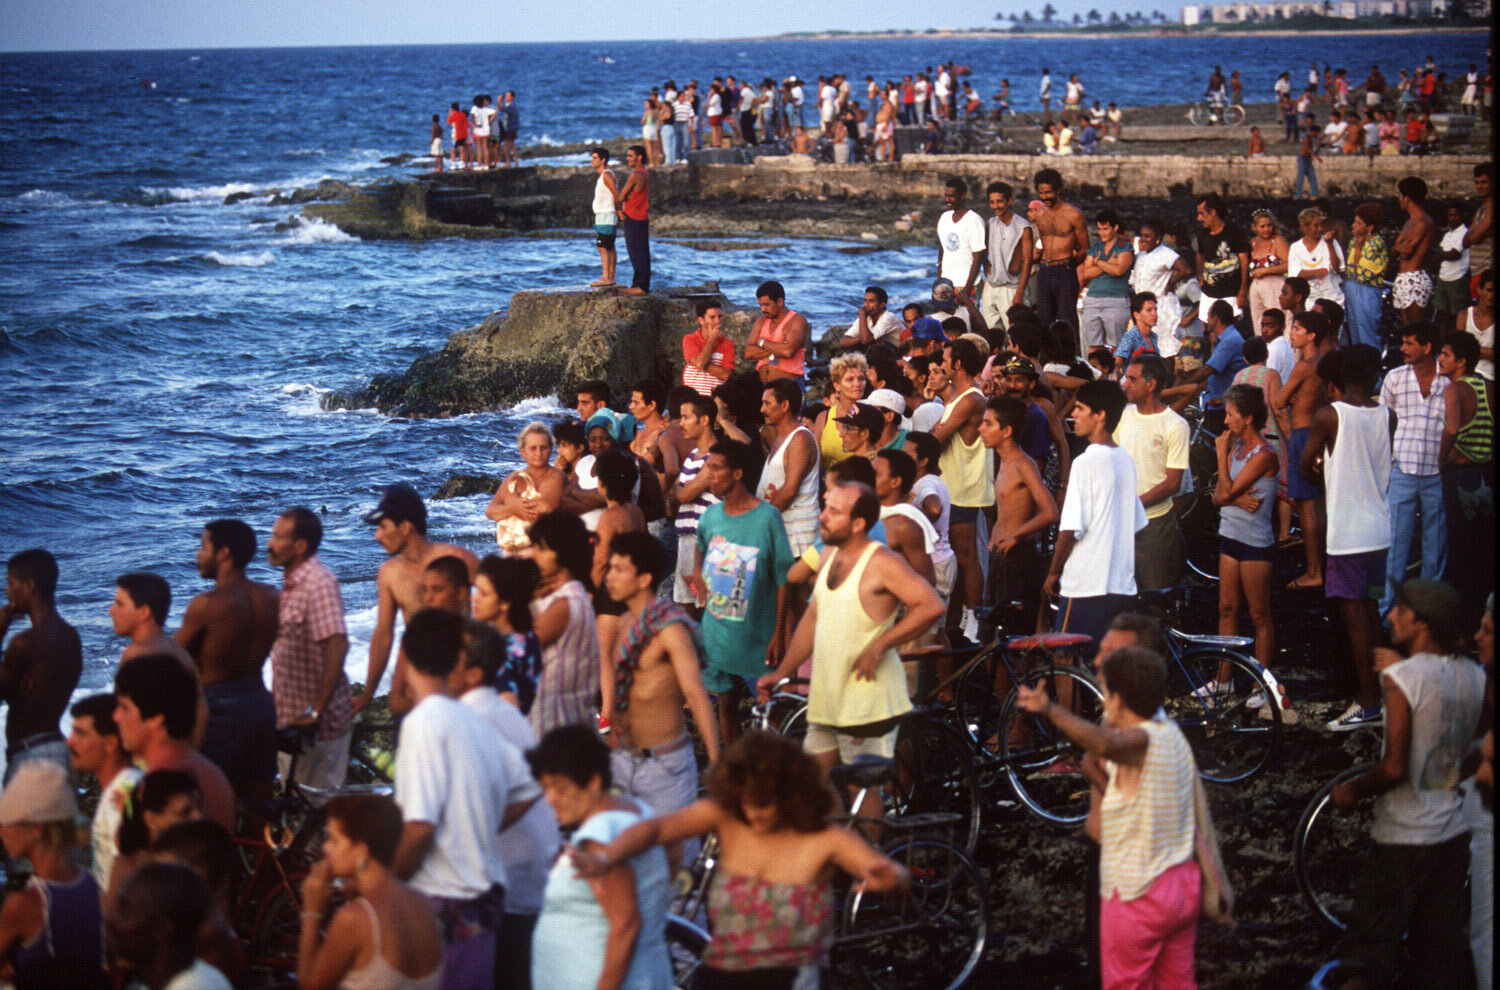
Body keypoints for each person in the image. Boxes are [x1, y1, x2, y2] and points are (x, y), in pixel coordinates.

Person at [571, 731, 907, 989]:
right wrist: (607, 856)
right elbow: (657, 829)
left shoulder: (824, 839)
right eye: (745, 801)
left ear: (791, 795)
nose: (752, 813)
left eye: (764, 803)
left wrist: (888, 875)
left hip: (791, 980)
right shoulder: (726, 817)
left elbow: (888, 870)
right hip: (724, 974)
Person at [1330, 579, 1488, 989]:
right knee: (1437, 955)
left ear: (1421, 622)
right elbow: (1478, 750)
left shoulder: (1402, 678)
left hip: (1403, 835)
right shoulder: (1476, 677)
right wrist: (1444, 776)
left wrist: (1352, 790)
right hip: (1452, 834)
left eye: (1400, 609)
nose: (1390, 615)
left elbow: (1394, 767)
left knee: (1367, 952)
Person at [1018, 646, 1202, 989]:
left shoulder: (1141, 740)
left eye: (1104, 693)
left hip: (1138, 894)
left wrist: (1051, 710)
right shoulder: (1173, 736)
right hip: (1181, 888)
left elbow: (1100, 743)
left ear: (1118, 701)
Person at [392, 608, 540, 990]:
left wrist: (385, 885)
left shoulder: (422, 723)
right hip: (486, 900)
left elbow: (420, 828)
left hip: (446, 902)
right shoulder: (471, 718)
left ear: (406, 655)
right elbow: (528, 786)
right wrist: (476, 829)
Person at [758, 481, 944, 779]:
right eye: (825, 508)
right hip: (828, 694)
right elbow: (813, 617)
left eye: (834, 511)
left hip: (866, 698)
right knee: (816, 787)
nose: (822, 516)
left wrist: (880, 645)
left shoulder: (883, 562)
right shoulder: (830, 555)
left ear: (858, 524)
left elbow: (931, 605)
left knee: (862, 795)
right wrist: (783, 673)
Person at [443, 620, 558, 988]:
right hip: (526, 866)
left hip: (515, 877)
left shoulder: (477, 717)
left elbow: (519, 791)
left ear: (473, 674)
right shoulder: (497, 709)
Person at [601, 532, 719, 868]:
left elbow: (696, 694)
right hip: (623, 760)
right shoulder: (623, 624)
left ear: (644, 579)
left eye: (619, 569)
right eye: (610, 567)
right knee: (627, 865)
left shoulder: (669, 628)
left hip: (665, 767)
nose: (609, 575)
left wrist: (714, 759)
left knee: (677, 869)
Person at [528, 725, 672, 990]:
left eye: (559, 788)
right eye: (545, 787)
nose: (550, 799)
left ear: (594, 782)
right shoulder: (639, 812)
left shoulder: (600, 835)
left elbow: (626, 925)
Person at [1303, 346, 1395, 730]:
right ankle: (1383, 694)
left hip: (1348, 537)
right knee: (1372, 613)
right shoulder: (1386, 414)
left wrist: (1322, 467)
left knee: (1355, 619)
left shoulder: (1329, 415)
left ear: (1337, 379)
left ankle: (1368, 702)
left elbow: (1307, 467)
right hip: (1379, 532)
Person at [689, 440, 794, 748]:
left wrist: (779, 634)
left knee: (768, 711)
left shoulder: (768, 518)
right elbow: (699, 550)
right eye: (709, 468)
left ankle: (772, 774)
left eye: (716, 468)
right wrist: (699, 576)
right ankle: (731, 766)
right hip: (718, 634)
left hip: (757, 639)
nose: (710, 475)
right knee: (725, 704)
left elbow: (783, 577)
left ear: (737, 474)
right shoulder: (710, 516)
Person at [175, 518, 278, 797]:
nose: (198, 555)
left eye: (203, 546)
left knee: (211, 800)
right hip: (261, 702)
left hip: (220, 710)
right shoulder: (272, 597)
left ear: (223, 553)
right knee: (260, 804)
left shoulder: (207, 605)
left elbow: (169, 660)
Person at [298, 793, 443, 990]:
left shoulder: (354, 919)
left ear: (361, 850)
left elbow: (309, 986)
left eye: (333, 839)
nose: (325, 848)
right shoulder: (423, 903)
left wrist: (312, 912)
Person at [358, 484, 478, 716]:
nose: (377, 535)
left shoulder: (458, 559)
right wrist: (367, 694)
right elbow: (383, 635)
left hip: (460, 677)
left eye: (383, 526)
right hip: (417, 677)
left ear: (405, 527)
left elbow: (497, 603)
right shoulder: (389, 573)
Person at [1044, 380, 1146, 649]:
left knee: (1064, 657)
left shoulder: (1085, 462)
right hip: (1121, 585)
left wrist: (1053, 573)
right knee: (1107, 667)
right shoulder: (1125, 459)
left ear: (1100, 415)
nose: (1072, 414)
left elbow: (1069, 530)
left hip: (1084, 584)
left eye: (1079, 408)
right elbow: (1137, 523)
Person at [265, 507, 353, 793]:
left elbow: (337, 645)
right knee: (298, 814)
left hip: (316, 730)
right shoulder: (294, 583)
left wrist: (316, 712)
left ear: (300, 546)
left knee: (314, 816)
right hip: (294, 722)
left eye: (278, 537)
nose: (270, 543)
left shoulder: (317, 583)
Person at [0, 760, 104, 987]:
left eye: (7, 823)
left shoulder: (25, 903)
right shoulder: (92, 885)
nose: (2, 832)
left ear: (37, 830)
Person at [113, 653, 233, 829]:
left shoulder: (159, 789)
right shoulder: (212, 775)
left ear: (156, 719)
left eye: (125, 707)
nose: (116, 717)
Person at [1380, 321, 1449, 616]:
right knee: (1395, 543)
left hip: (1438, 473)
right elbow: (1385, 422)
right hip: (1403, 470)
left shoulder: (1449, 383)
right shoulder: (1395, 378)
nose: (1403, 349)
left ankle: (1429, 616)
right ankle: (1386, 612)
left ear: (1427, 347)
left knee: (1436, 546)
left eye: (1409, 343)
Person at [978, 396, 1059, 640]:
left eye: (988, 424)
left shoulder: (1024, 464)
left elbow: (1050, 511)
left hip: (1018, 561)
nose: (981, 429)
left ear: (1007, 431)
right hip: (1001, 558)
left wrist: (1016, 534)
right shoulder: (1003, 462)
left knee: (1013, 641)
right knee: (995, 642)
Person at [1214, 384, 1280, 681]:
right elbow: (1216, 497)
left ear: (1248, 417)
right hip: (1230, 536)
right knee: (1227, 608)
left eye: (1231, 414)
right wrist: (1237, 497)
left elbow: (1224, 489)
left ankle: (1261, 685)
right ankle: (1223, 680)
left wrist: (1220, 456)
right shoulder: (1238, 449)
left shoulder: (1264, 454)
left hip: (1254, 543)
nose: (1226, 421)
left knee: (1259, 615)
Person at [0, 548, 80, 783]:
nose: (7, 591)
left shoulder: (25, 643)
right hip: (57, 746)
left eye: (11, 583)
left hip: (31, 755)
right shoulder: (70, 636)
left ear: (29, 586)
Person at [931, 338, 992, 643]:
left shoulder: (971, 399)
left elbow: (937, 438)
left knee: (966, 556)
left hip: (963, 489)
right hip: (952, 488)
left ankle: (974, 618)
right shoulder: (959, 398)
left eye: (945, 359)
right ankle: (959, 617)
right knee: (957, 555)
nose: (941, 364)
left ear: (958, 365)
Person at [1116, 354, 1189, 593]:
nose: (1125, 383)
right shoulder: (1121, 415)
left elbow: (1173, 483)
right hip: (1119, 523)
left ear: (1151, 384)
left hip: (1155, 524)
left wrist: (1132, 504)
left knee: (1155, 596)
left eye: (1132, 379)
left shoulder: (1175, 425)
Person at [526, 510, 599, 736]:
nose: (533, 555)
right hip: (568, 718)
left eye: (542, 548)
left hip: (556, 724)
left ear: (563, 553)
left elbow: (514, 649)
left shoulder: (563, 605)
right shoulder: (570, 595)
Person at [1437, 331, 1493, 628]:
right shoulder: (1489, 387)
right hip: (1487, 476)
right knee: (1486, 549)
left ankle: (1468, 624)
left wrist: (1441, 459)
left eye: (1445, 355)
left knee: (1462, 551)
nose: (1440, 359)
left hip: (1461, 477)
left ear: (1461, 362)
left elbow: (1452, 429)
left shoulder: (1455, 389)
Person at [107, 862, 231, 990]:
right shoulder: (152, 981)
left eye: (125, 912)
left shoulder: (193, 986)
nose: (110, 919)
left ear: (161, 930)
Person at [67, 693, 141, 889]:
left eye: (80, 733)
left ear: (110, 743)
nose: (69, 742)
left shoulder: (125, 793)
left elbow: (131, 867)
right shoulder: (121, 786)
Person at [471, 555, 543, 714]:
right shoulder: (528, 638)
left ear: (505, 603)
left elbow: (509, 708)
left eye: (484, 593)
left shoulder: (503, 650)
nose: (474, 597)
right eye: (476, 589)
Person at [757, 379, 820, 556]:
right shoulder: (780, 438)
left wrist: (760, 521)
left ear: (784, 405)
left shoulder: (800, 438)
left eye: (767, 403)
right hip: (785, 537)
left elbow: (790, 490)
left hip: (798, 541)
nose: (762, 409)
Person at [487, 422, 565, 556]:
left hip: (542, 547)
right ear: (523, 451)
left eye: (543, 448)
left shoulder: (557, 476)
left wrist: (514, 505)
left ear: (551, 449)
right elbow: (490, 511)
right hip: (513, 545)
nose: (538, 453)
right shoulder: (514, 478)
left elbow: (547, 509)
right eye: (533, 448)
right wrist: (512, 509)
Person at [1032, 168, 1089, 348]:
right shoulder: (1040, 214)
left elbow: (1085, 247)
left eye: (1048, 192)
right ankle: (1046, 363)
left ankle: (1074, 362)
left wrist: (1070, 266)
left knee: (1068, 322)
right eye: (1041, 193)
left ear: (1059, 190)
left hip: (1064, 270)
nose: (1044, 197)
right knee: (1043, 322)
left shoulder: (1074, 214)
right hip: (1044, 270)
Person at [981, 181, 1034, 332]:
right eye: (992, 202)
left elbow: (1028, 261)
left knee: (1015, 332)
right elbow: (982, 248)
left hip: (1011, 287)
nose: (996, 206)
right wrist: (985, 263)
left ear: (1009, 201)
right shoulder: (990, 223)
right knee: (993, 332)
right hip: (991, 286)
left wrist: (1019, 293)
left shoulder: (1022, 227)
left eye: (999, 201)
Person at [1079, 209, 1134, 352]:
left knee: (1117, 346)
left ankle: (1116, 375)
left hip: (1116, 300)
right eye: (1099, 229)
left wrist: (1098, 262)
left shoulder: (1125, 247)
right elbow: (1086, 272)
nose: (1102, 232)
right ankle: (1096, 374)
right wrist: (1108, 264)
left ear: (1115, 228)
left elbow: (1119, 270)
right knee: (1093, 345)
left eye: (1105, 229)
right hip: (1093, 299)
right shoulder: (1096, 246)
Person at [1195, 193, 1250, 326]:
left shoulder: (1234, 233)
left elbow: (1244, 261)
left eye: (1202, 214)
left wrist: (1243, 290)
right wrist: (1200, 276)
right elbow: (1200, 255)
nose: (1198, 218)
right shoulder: (1202, 235)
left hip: (1230, 294)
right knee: (1210, 334)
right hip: (1209, 294)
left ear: (1213, 212)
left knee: (1231, 330)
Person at [1346, 203, 1391, 350]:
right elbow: (1349, 270)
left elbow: (1361, 273)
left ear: (1370, 227)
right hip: (1352, 289)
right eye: (1355, 221)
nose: (1354, 226)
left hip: (1367, 292)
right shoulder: (1355, 241)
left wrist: (1358, 249)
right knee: (1355, 332)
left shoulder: (1376, 244)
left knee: (1367, 333)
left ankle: (1373, 369)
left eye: (1359, 223)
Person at [745, 280, 808, 385]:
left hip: (790, 385)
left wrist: (761, 343)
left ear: (780, 301)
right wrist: (779, 347)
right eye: (760, 305)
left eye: (766, 305)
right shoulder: (761, 321)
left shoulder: (797, 320)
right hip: (766, 387)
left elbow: (787, 352)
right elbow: (748, 353)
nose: (762, 309)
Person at [1392, 176, 1436, 323]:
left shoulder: (1424, 222)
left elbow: (1405, 252)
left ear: (1407, 197)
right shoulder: (1408, 223)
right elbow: (1394, 251)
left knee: (1417, 331)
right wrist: (1398, 248)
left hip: (1415, 279)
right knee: (1406, 331)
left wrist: (1398, 248)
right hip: (1402, 279)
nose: (1399, 199)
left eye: (1400, 195)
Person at [936, 178, 985, 303]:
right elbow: (942, 248)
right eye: (946, 196)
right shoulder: (944, 218)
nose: (947, 200)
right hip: (946, 284)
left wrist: (967, 290)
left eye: (951, 196)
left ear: (962, 196)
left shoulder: (974, 220)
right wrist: (939, 279)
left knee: (967, 321)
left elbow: (978, 256)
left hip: (968, 285)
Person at [1288, 207, 1344, 309]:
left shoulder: (1331, 242)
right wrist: (1315, 272)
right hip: (1309, 303)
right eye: (1316, 226)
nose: (1320, 229)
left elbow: (1337, 268)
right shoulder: (1295, 248)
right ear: (1304, 227)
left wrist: (1330, 245)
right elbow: (1295, 277)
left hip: (1333, 299)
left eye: (1321, 225)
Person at [616, 145, 651, 296]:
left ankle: (640, 286)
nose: (627, 158)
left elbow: (621, 196)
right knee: (642, 251)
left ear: (639, 157)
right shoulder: (645, 173)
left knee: (635, 252)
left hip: (633, 216)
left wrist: (618, 209)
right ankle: (640, 284)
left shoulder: (635, 175)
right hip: (641, 217)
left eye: (631, 156)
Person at [683, 300, 736, 395]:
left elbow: (725, 375)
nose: (718, 321)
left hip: (715, 399)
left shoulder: (727, 343)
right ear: (701, 321)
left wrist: (698, 363)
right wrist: (711, 340)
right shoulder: (689, 339)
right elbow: (700, 363)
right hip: (691, 398)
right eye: (712, 317)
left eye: (719, 317)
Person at [1436, 202, 1471, 330]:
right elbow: (1438, 254)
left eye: (1456, 215)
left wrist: (1443, 254)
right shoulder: (1447, 235)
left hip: (1457, 279)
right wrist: (1444, 254)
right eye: (1450, 215)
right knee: (1441, 316)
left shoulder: (1465, 233)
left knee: (1458, 317)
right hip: (1443, 278)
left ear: (1462, 216)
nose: (1453, 218)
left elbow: (1454, 254)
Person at [589, 148, 620, 288]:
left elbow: (616, 194)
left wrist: (619, 210)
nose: (592, 161)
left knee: (603, 246)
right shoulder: (605, 175)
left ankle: (606, 277)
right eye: (592, 158)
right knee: (609, 246)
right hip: (604, 215)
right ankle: (610, 277)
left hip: (607, 214)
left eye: (595, 158)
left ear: (603, 160)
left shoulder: (607, 175)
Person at [840, 285, 903, 350]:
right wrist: (860, 338)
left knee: (875, 345)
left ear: (882, 305)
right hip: (884, 352)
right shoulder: (865, 318)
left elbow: (866, 340)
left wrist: (862, 315)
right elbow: (842, 342)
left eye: (871, 301)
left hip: (899, 352)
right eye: (865, 301)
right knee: (856, 346)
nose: (866, 305)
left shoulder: (888, 317)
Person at [1462, 164, 1492, 289]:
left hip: (1488, 274)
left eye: (1484, 182)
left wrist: (1473, 234)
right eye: (1477, 182)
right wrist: (1474, 234)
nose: (1480, 186)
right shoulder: (1481, 210)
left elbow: (1473, 238)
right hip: (1476, 273)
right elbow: (1464, 242)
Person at [445, 102, 470, 170]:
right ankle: (461, 163)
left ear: (453, 108)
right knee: (461, 148)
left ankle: (453, 164)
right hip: (464, 134)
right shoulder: (462, 114)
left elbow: (448, 122)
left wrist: (449, 114)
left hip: (456, 134)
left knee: (452, 150)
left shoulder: (454, 115)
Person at [499, 92, 519, 167]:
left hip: (509, 127)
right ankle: (515, 161)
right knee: (511, 144)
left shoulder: (511, 106)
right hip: (512, 127)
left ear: (512, 97)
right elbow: (504, 108)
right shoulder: (511, 105)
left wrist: (500, 101)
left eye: (507, 96)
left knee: (507, 144)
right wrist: (502, 102)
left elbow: (501, 109)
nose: (506, 97)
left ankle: (509, 162)